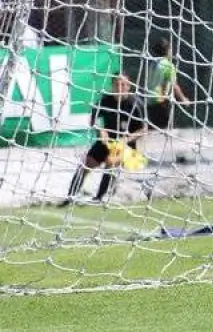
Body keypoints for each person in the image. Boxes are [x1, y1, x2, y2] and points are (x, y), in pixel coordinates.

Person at [60, 74, 142, 206]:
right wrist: (101, 131)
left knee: (111, 161)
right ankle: (70, 197)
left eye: (123, 84)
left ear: (129, 86)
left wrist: (126, 139)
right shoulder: (105, 101)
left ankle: (99, 198)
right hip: (106, 142)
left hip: (126, 147)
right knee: (85, 164)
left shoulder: (134, 104)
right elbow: (94, 120)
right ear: (112, 86)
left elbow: (143, 130)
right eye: (116, 84)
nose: (119, 87)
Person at [144, 37, 189, 133]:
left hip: (149, 101)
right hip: (161, 102)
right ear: (168, 50)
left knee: (153, 130)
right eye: (170, 49)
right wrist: (183, 99)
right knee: (165, 131)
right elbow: (174, 85)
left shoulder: (152, 64)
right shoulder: (168, 66)